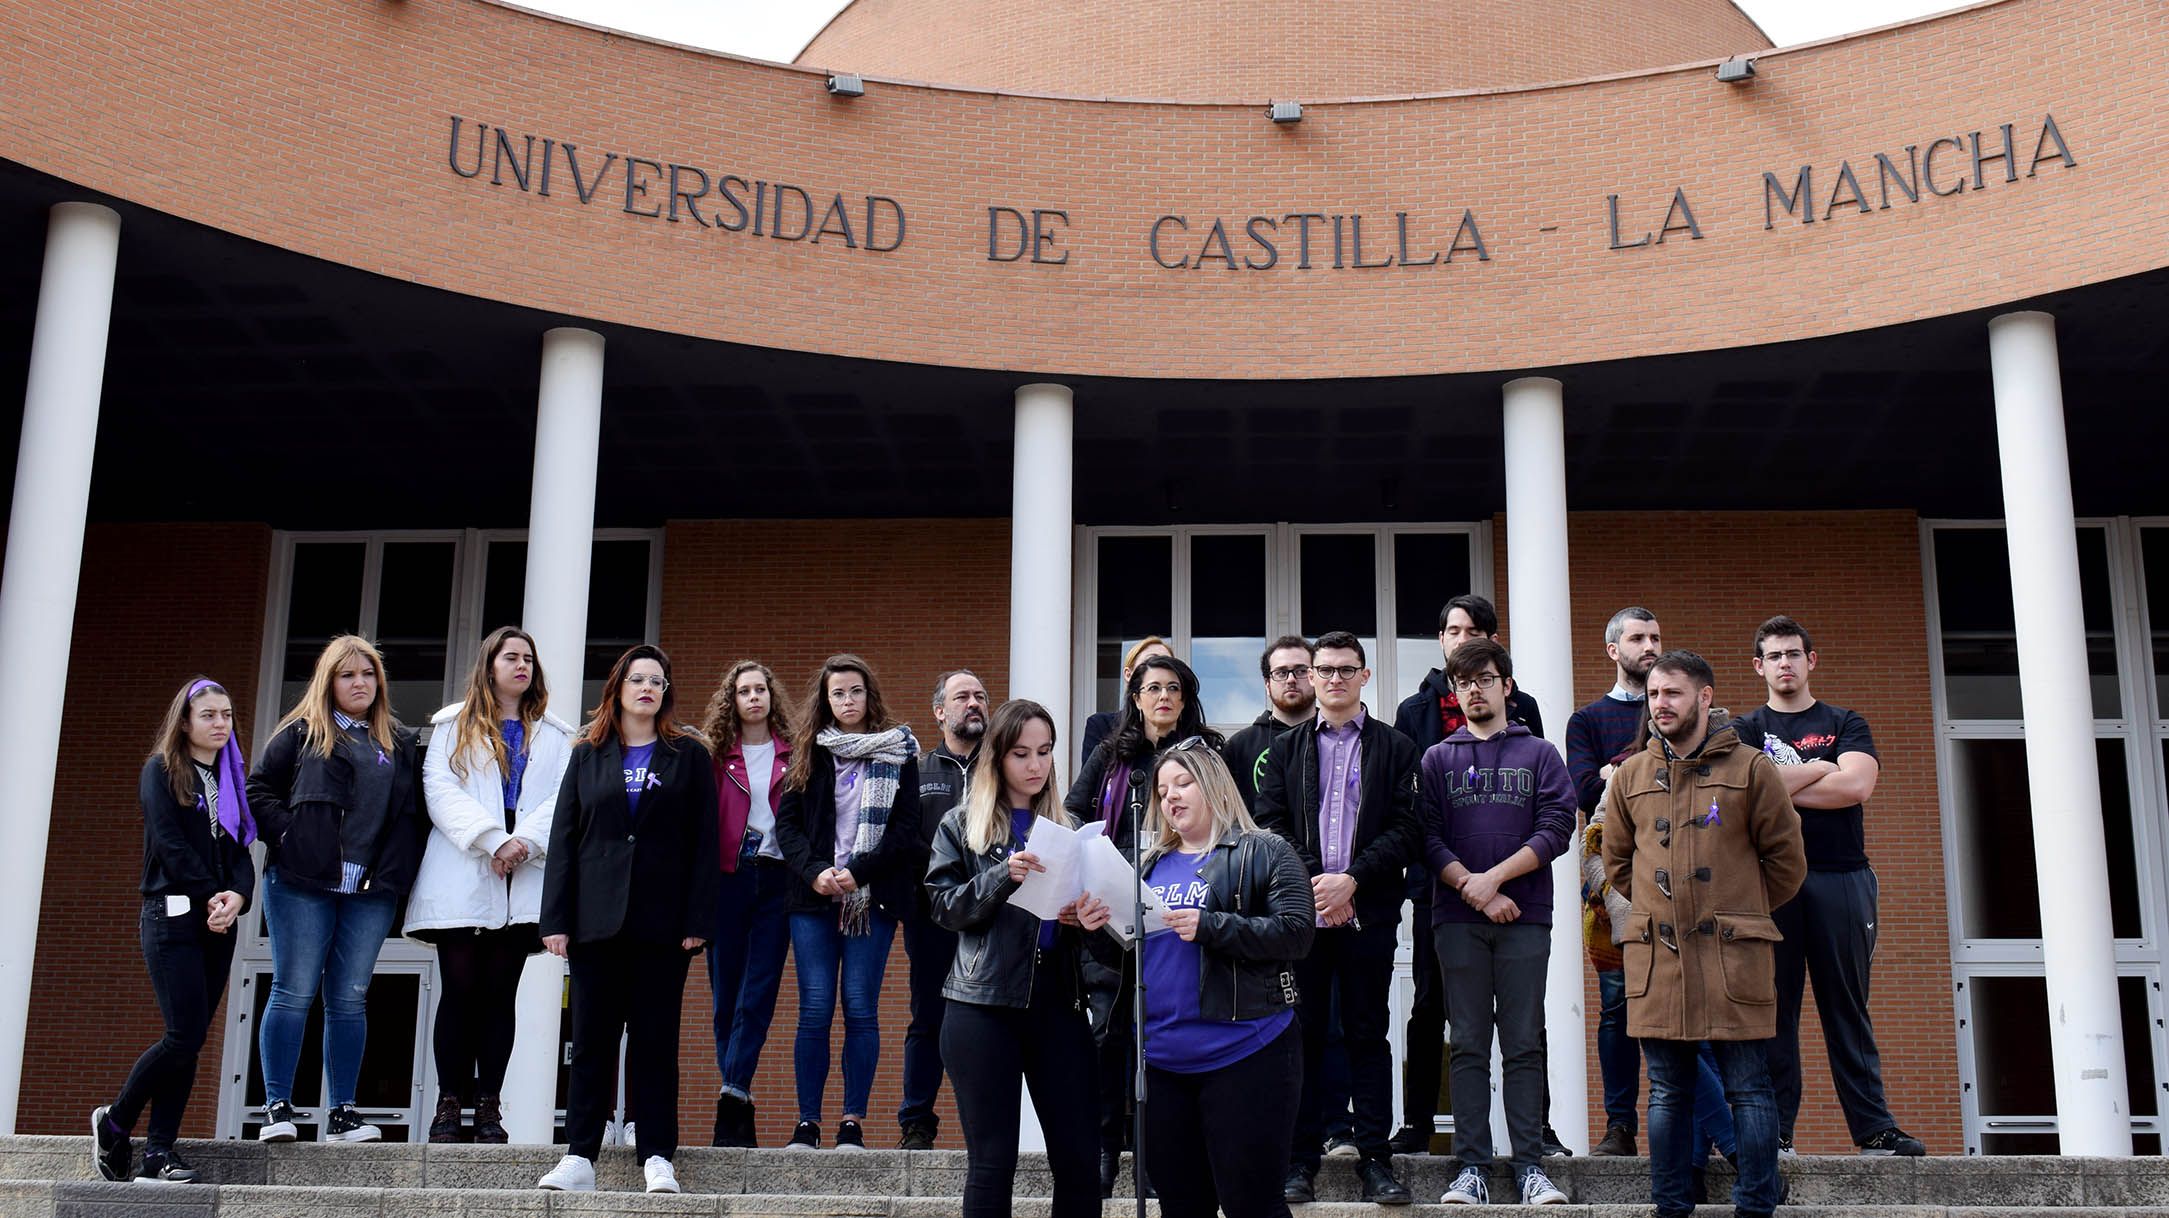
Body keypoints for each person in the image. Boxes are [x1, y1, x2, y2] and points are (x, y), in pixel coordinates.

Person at [1603, 649, 1806, 1218]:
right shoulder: (1633, 774)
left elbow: (1787, 863)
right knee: (1667, 1092)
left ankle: (1756, 1207)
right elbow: (1620, 863)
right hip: (1659, 958)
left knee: (1749, 1088)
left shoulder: (1751, 768)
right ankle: (1670, 1208)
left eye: (1672, 693)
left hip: (1732, 956)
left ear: (1705, 697)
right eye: (1653, 695)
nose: (1660, 704)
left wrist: (1736, 908)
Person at [1730, 616, 1924, 1157]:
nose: (1785, 664)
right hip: (1773, 884)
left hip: (1842, 877)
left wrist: (1786, 781)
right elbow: (1749, 792)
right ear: (1759, 665)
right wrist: (1822, 767)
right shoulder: (1746, 730)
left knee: (1847, 1007)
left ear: (1810, 660)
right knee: (1776, 1010)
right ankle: (1776, 1133)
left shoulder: (1846, 720)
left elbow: (1857, 785)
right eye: (1774, 656)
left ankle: (1875, 1130)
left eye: (1793, 654)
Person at [536, 644, 719, 1195]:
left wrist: (697, 917)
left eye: (657, 681)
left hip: (663, 925)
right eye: (638, 679)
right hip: (595, 923)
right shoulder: (587, 754)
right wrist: (556, 918)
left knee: (655, 1041)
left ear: (666, 692)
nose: (648, 688)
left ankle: (658, 1155)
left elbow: (704, 843)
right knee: (590, 1040)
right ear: (617, 687)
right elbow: (564, 838)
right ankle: (579, 1157)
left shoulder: (688, 755)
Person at [1105, 741, 1312, 1218]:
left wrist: (1211, 926)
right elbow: (1124, 959)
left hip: (1247, 1054)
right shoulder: (1147, 864)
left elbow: (1297, 933)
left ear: (1214, 785)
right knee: (1180, 1207)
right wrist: (1100, 928)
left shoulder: (1265, 850)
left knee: (1252, 1206)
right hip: (1159, 1062)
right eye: (1162, 789)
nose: (1170, 797)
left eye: (1183, 783)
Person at [1253, 632, 1420, 1205]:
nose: (1333, 679)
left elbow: (1406, 829)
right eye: (1324, 669)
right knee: (1299, 1037)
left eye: (1346, 669)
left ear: (1365, 676)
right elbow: (1268, 822)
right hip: (1303, 921)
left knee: (1368, 1036)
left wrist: (1353, 880)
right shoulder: (1286, 749)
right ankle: (1298, 1160)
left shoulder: (1397, 748)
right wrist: (1317, 884)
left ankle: (1376, 1159)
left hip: (1366, 915)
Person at [925, 699, 1107, 1218]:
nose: (1035, 765)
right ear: (997, 757)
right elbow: (942, 907)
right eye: (1022, 753)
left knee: (1078, 1160)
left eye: (1045, 752)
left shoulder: (1072, 827)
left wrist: (1087, 920)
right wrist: (1003, 876)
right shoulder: (962, 824)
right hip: (982, 1006)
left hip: (1060, 1004)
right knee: (992, 1161)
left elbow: (1102, 944)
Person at [247, 635, 425, 1145]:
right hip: (303, 882)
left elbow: (410, 815)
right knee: (293, 989)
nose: (359, 683)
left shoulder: (397, 741)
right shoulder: (302, 733)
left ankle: (343, 1113)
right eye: (348, 675)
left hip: (369, 891)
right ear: (329, 682)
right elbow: (259, 789)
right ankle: (277, 1107)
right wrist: (288, 835)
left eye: (367, 674)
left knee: (349, 999)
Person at [1387, 593, 1549, 1155]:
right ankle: (1418, 1123)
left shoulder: (1523, 708)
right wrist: (1466, 883)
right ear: (1440, 641)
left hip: (1517, 892)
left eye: (1473, 629)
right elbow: (1420, 813)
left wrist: (1497, 880)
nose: (1461, 637)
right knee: (1433, 1005)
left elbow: (1544, 813)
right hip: (1444, 886)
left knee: (1525, 1023)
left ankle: (1538, 1133)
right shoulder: (1416, 711)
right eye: (1452, 629)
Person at [1421, 639, 1575, 1207]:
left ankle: (1531, 1166)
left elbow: (1558, 825)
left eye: (1485, 679)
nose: (1475, 690)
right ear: (1455, 693)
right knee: (1465, 1043)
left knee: (1522, 1042)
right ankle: (1471, 1169)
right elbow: (1428, 836)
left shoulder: (1539, 754)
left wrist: (1496, 881)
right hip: (1457, 920)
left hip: (1526, 917)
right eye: (1464, 683)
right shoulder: (1438, 758)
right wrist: (1474, 888)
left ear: (1506, 686)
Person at [410, 626, 575, 1145]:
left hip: (524, 871)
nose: (522, 665)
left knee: (501, 996)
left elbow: (562, 797)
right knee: (459, 992)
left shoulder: (555, 733)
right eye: (511, 657)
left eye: (528, 658)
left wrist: (522, 843)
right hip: (465, 866)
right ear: (490, 665)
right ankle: (448, 1104)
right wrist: (491, 840)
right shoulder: (451, 725)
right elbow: (438, 787)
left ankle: (488, 1107)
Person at [1065, 653, 1223, 1194]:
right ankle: (1108, 1151)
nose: (1163, 697)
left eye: (1173, 689)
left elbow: (1225, 820)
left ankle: (1161, 1157)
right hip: (1111, 910)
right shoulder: (1112, 754)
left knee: (1162, 1034)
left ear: (1185, 698)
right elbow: (1074, 813)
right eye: (1152, 688)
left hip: (1181, 901)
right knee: (1110, 1037)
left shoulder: (1206, 755)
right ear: (1135, 698)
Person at [92, 677, 258, 1183]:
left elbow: (240, 853)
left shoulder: (230, 779)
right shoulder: (161, 771)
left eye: (227, 715)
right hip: (172, 916)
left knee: (191, 1041)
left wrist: (239, 896)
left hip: (217, 920)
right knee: (182, 1034)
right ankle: (116, 1121)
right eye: (209, 715)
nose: (220, 724)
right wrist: (214, 892)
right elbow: (169, 844)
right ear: (185, 721)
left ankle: (159, 1152)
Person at [773, 654, 923, 1151]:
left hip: (871, 898)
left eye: (855, 691)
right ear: (825, 699)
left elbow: (905, 831)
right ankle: (807, 1124)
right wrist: (816, 872)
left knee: (860, 1008)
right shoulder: (806, 751)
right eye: (838, 693)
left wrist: (857, 872)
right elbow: (787, 827)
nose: (847, 701)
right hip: (812, 899)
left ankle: (852, 1122)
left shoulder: (898, 751)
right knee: (815, 1008)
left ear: (869, 694)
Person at [1565, 606, 1663, 1157]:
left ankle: (1699, 1129)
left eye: (1655, 637)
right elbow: (1584, 791)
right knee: (1617, 1009)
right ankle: (1619, 1126)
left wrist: (1615, 770)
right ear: (1613, 650)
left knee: (1686, 1005)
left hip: (1680, 880)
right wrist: (1634, 767)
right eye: (1638, 638)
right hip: (1614, 889)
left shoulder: (1679, 705)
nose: (1649, 646)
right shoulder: (1588, 720)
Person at [702, 659, 795, 1148]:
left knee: (757, 994)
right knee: (724, 1000)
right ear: (732, 700)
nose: (754, 697)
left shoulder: (794, 754)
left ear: (772, 697)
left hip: (776, 882)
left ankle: (732, 1094)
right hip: (729, 879)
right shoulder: (715, 756)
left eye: (761, 689)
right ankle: (737, 1096)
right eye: (744, 691)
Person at [899, 668, 988, 1148]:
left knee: (988, 1020)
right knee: (928, 1016)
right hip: (932, 915)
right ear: (939, 712)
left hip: (992, 916)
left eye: (979, 696)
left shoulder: (1000, 769)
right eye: (962, 697)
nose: (973, 703)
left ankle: (988, 1127)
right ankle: (916, 1123)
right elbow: (906, 840)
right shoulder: (918, 771)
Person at [1221, 635, 1315, 812]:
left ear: (1314, 677)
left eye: (1301, 670)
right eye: (1281, 673)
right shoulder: (1239, 747)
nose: (1291, 679)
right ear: (1267, 684)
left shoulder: (1336, 736)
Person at [1080, 635, 1173, 765]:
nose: (1159, 670)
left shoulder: (1186, 733)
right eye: (1151, 661)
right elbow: (1091, 783)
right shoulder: (1102, 725)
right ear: (1128, 674)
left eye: (1168, 665)